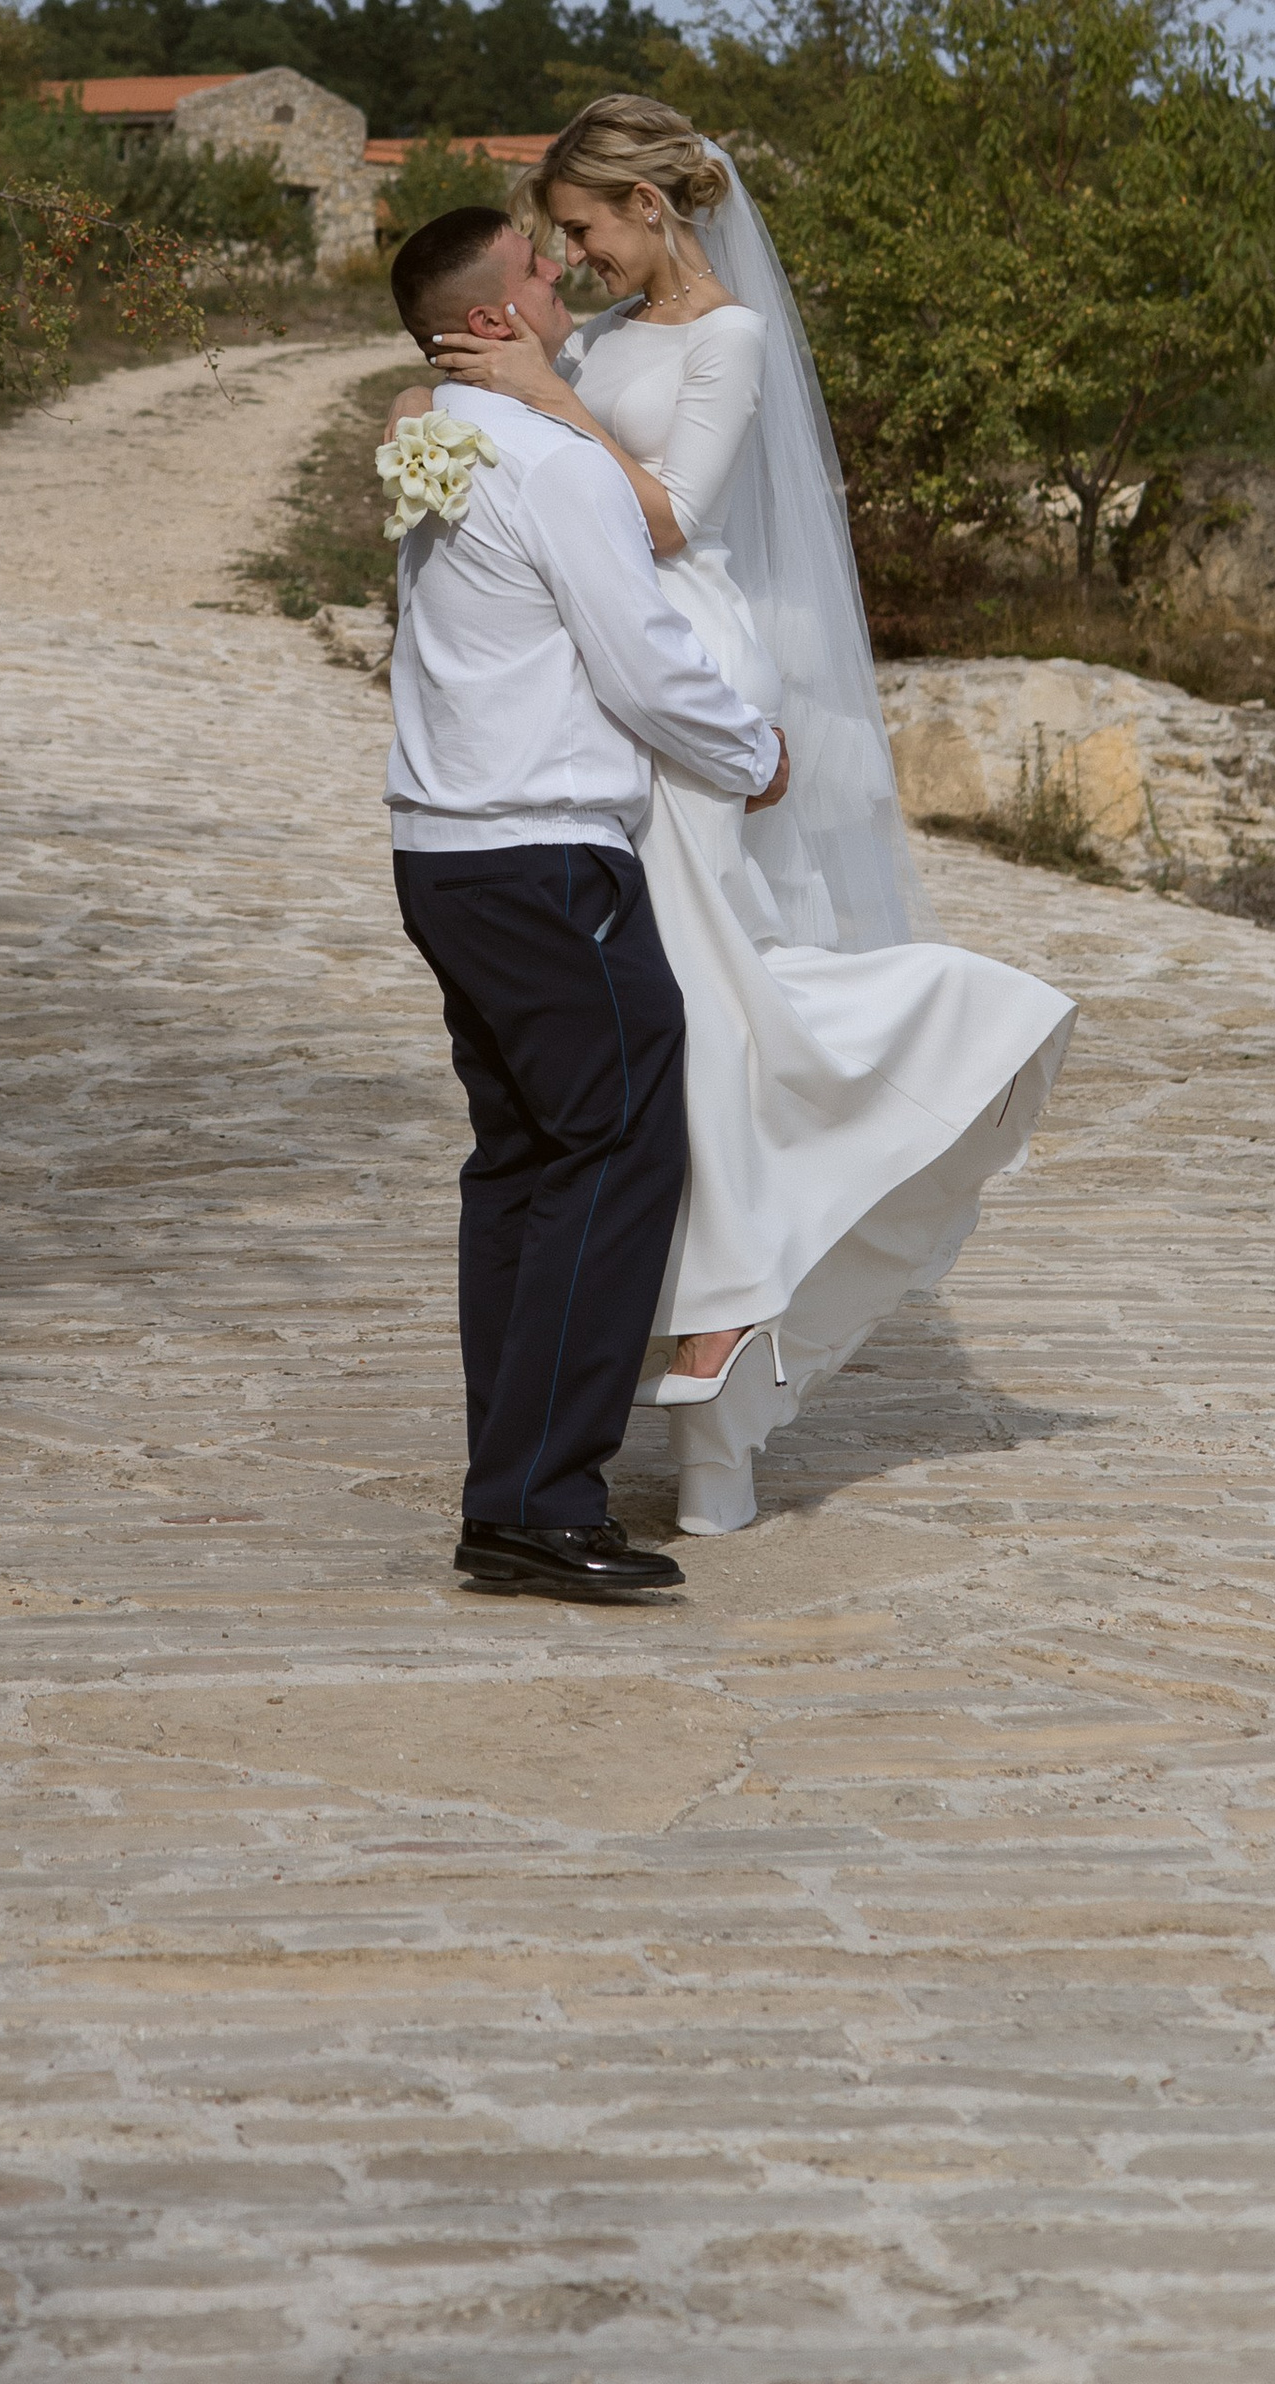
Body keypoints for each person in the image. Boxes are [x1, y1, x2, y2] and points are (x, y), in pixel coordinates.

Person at [392, 99, 1075, 1538]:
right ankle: (667, 1369)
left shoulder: (721, 341)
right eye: (553, 245)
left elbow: (664, 514)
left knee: (690, 1012)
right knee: (658, 1037)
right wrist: (449, 396)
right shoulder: (583, 341)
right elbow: (476, 405)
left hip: (681, 660)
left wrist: (546, 403)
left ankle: (714, 1328)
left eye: (582, 228)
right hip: (605, 682)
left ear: (655, 206)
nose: (567, 264)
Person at [384, 201, 792, 1604]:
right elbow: (641, 660)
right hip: (544, 853)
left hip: (440, 851)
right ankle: (542, 1504)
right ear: (494, 319)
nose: (559, 274)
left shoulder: (436, 444)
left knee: (520, 1166)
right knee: (617, 1151)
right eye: (536, 265)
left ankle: (511, 1491)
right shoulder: (552, 462)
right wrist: (755, 753)